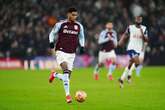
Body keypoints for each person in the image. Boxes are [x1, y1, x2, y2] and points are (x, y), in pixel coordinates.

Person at [48, 7, 85, 103]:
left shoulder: (79, 26)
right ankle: (68, 96)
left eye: (76, 15)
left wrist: (82, 46)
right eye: (73, 14)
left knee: (67, 77)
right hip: (61, 51)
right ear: (68, 14)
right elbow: (52, 33)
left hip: (71, 53)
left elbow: (82, 37)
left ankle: (54, 74)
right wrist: (51, 42)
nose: (74, 16)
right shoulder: (60, 24)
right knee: (65, 69)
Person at [118, 16, 149, 88]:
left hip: (138, 49)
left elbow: (146, 40)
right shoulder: (130, 27)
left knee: (131, 64)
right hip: (131, 48)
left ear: (141, 21)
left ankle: (122, 79)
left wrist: (142, 34)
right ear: (135, 20)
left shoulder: (144, 28)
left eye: (140, 19)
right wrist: (120, 41)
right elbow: (125, 34)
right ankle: (126, 77)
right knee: (137, 62)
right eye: (137, 19)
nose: (138, 20)